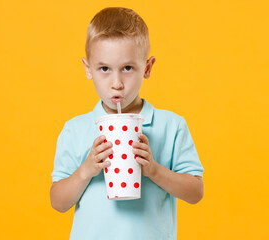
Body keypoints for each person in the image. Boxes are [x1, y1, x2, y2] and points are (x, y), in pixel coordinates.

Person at [50, 7, 204, 240]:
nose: (117, 83)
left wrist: (154, 170)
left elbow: (195, 192)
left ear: (148, 67)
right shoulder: (75, 129)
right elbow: (58, 202)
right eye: (104, 69)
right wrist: (86, 170)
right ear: (87, 69)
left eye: (128, 68)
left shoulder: (172, 126)